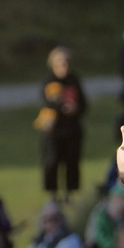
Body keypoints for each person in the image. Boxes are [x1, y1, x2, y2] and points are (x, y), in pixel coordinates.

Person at [36, 46, 87, 202]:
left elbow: (84, 104)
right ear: (52, 64)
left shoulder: (74, 80)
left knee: (71, 162)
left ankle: (69, 194)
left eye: (65, 62)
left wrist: (75, 108)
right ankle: (52, 193)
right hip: (53, 130)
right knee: (51, 161)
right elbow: (46, 102)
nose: (63, 66)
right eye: (59, 62)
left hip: (72, 129)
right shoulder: (48, 81)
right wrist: (62, 107)